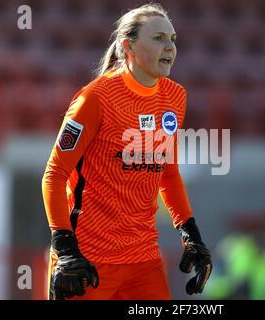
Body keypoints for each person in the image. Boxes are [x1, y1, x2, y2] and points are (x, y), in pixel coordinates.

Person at [41, 3, 212, 300]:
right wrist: (65, 247)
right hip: (87, 261)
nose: (169, 47)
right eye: (158, 38)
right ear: (127, 46)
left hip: (143, 262)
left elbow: (167, 173)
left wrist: (190, 235)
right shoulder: (94, 98)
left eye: (173, 39)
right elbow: (54, 175)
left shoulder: (175, 97)